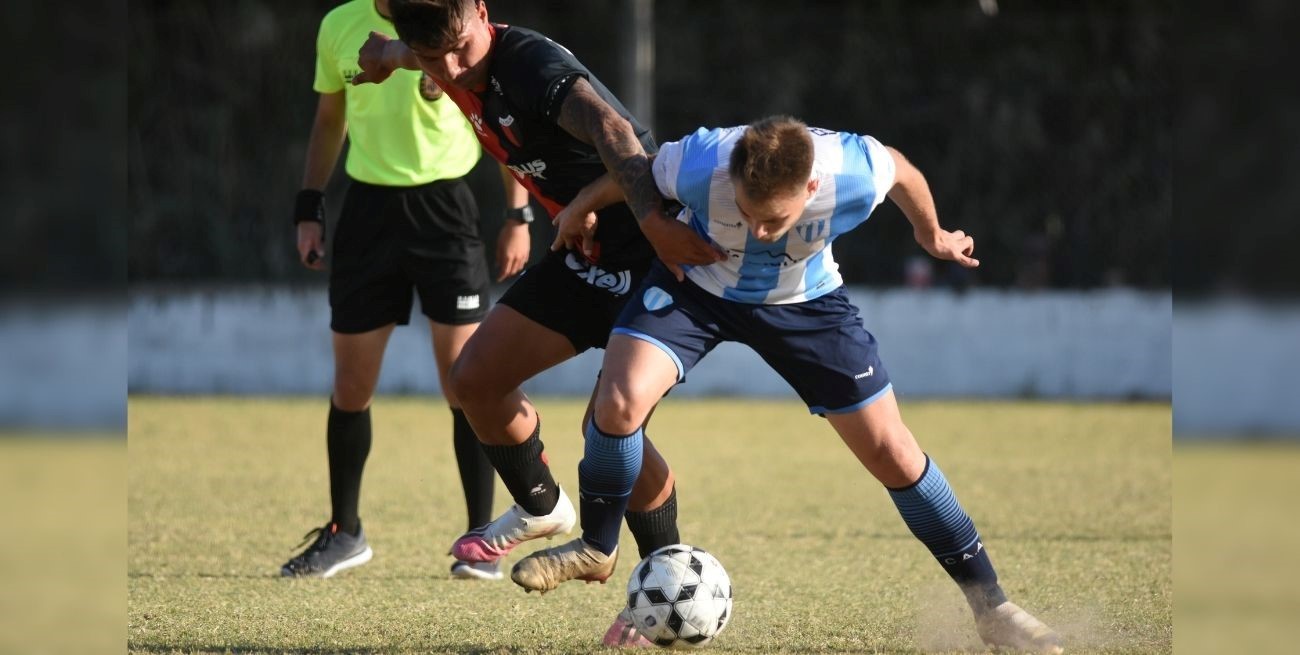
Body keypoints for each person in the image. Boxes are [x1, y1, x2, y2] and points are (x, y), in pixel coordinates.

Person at [514, 116, 1065, 654]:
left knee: (893, 452)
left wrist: (932, 234)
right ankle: (596, 545)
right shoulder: (706, 160)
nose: (757, 231)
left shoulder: (853, 168)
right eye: (749, 214)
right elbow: (635, 170)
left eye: (773, 221)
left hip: (806, 303)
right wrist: (582, 207)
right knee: (617, 401)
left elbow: (902, 171)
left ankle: (992, 608)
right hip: (697, 288)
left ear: (813, 187)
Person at [352, 0, 725, 645]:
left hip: (650, 253)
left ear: (482, 11)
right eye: (430, 56)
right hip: (580, 249)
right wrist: (386, 54)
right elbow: (410, 46)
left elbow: (622, 134)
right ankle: (543, 506)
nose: (448, 69)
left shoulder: (529, 65)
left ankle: (655, 601)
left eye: (458, 49)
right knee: (475, 381)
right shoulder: (438, 48)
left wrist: (643, 220)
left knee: (610, 429)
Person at [279, 0, 533, 582]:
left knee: (466, 384)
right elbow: (329, 119)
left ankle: (481, 541)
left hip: (446, 210)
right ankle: (345, 533)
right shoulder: (338, 25)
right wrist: (309, 206)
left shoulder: (447, 17)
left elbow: (497, 117)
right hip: (368, 213)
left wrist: (517, 215)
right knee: (351, 386)